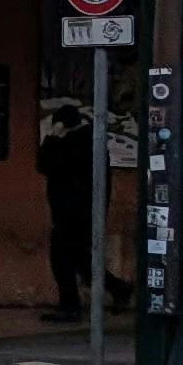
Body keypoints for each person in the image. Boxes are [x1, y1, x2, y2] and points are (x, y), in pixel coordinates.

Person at [39, 101, 130, 318]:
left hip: (73, 215)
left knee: (62, 259)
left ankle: (70, 306)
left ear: (62, 124)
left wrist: (52, 137)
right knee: (80, 260)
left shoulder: (76, 144)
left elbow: (46, 165)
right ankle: (117, 288)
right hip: (80, 214)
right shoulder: (88, 141)